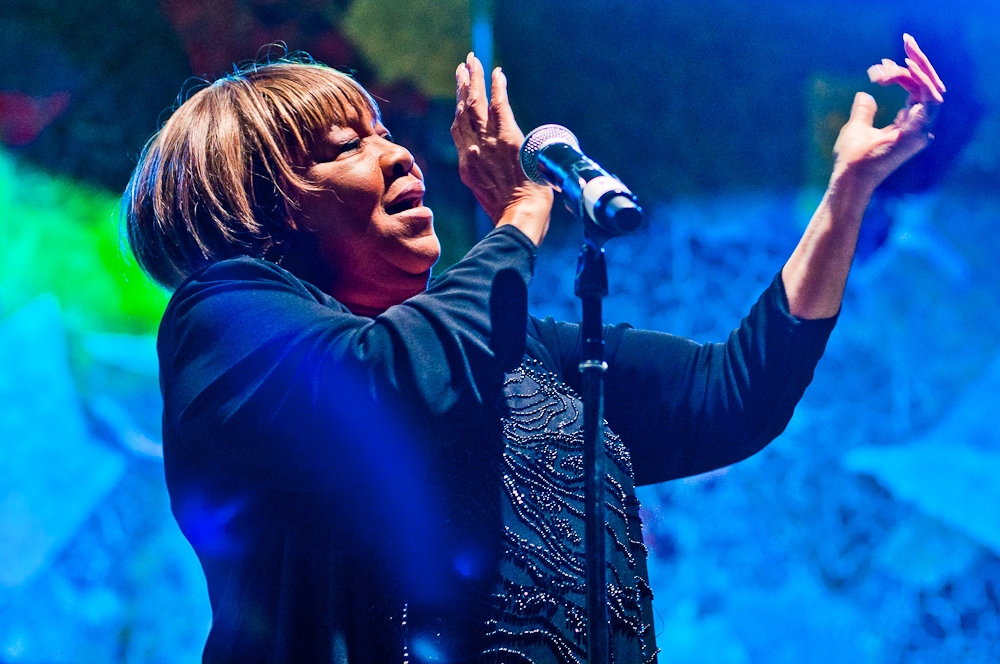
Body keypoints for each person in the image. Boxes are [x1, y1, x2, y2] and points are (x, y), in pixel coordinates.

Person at [124, 35, 944, 664]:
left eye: (383, 132)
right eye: (346, 146)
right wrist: (520, 214)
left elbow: (729, 395)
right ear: (265, 211)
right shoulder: (224, 322)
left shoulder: (525, 361)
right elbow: (398, 387)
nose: (399, 152)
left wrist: (848, 194)